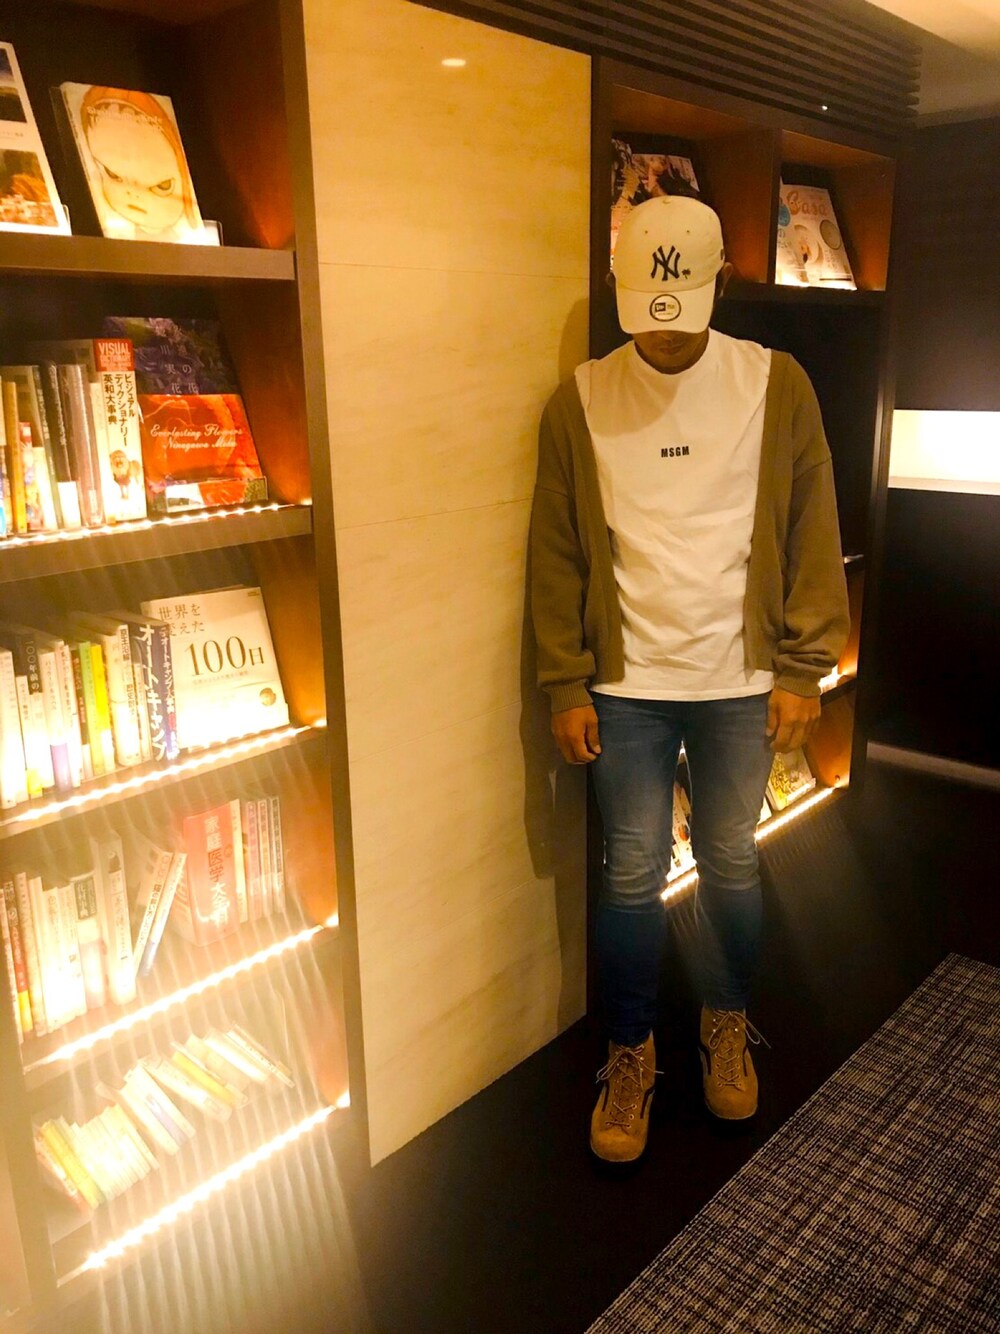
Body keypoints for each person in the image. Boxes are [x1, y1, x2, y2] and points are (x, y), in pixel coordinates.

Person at [528, 194, 849, 1165]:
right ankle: (630, 1050)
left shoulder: (774, 383)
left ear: (720, 283)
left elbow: (812, 528)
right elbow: (556, 552)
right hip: (625, 685)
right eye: (645, 313)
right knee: (631, 872)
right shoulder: (581, 398)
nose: (664, 337)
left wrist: (804, 665)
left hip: (741, 679)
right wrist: (565, 682)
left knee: (731, 859)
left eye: (682, 311)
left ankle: (724, 1019)